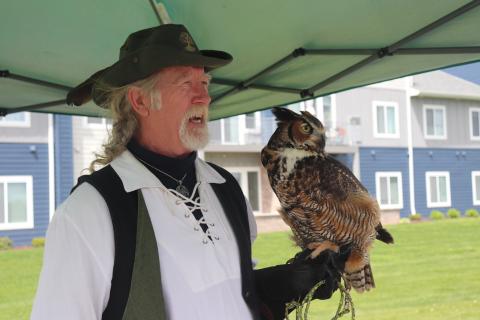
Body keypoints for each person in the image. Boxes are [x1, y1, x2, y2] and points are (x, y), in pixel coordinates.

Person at [31, 24, 347, 320]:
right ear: (140, 100)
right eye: (186, 83)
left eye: (205, 83)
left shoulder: (225, 187)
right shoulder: (90, 210)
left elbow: (229, 295)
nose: (204, 97)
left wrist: (285, 283)